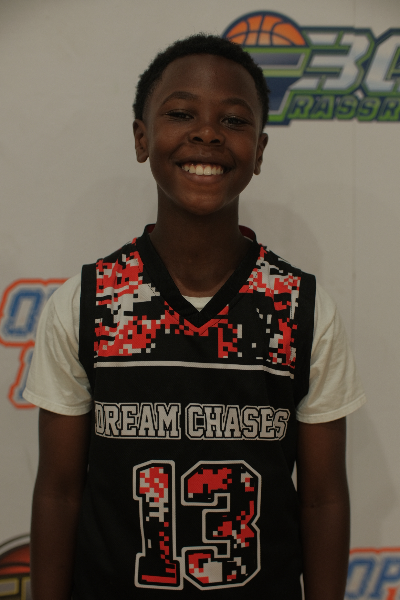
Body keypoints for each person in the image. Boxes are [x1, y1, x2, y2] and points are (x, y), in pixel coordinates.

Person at [24, 34, 366, 600]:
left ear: (259, 150)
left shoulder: (300, 308)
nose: (207, 133)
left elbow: (323, 498)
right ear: (142, 138)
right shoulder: (88, 302)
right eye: (181, 114)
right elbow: (59, 493)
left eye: (233, 120)